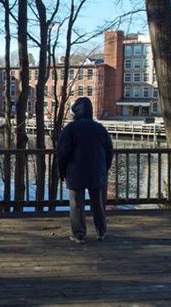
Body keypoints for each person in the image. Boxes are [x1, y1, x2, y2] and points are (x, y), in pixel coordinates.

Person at [58, 97, 113, 244]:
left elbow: (63, 152)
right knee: (98, 203)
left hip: (75, 171)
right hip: (97, 170)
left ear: (76, 111)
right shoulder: (100, 129)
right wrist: (104, 168)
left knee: (77, 204)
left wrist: (61, 170)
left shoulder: (70, 129)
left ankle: (79, 234)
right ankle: (101, 231)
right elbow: (109, 151)